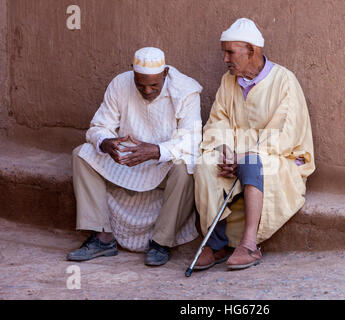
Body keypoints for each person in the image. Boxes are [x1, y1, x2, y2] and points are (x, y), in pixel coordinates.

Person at [194, 18, 315, 270]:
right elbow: (218, 120)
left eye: (230, 52)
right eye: (224, 52)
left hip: (280, 157)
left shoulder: (284, 81)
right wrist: (224, 151)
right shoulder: (228, 81)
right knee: (206, 162)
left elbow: (284, 133)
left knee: (251, 161)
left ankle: (249, 245)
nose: (225, 59)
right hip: (237, 156)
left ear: (252, 51)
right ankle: (215, 244)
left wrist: (243, 158)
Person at [67, 47, 202, 266]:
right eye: (141, 85)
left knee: (187, 166)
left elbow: (192, 140)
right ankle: (103, 237)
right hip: (126, 162)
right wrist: (105, 142)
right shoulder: (120, 84)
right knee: (82, 154)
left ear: (165, 73)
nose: (147, 91)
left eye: (154, 85)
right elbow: (99, 126)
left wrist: (156, 151)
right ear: (133, 73)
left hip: (163, 164)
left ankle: (161, 242)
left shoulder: (186, 91)